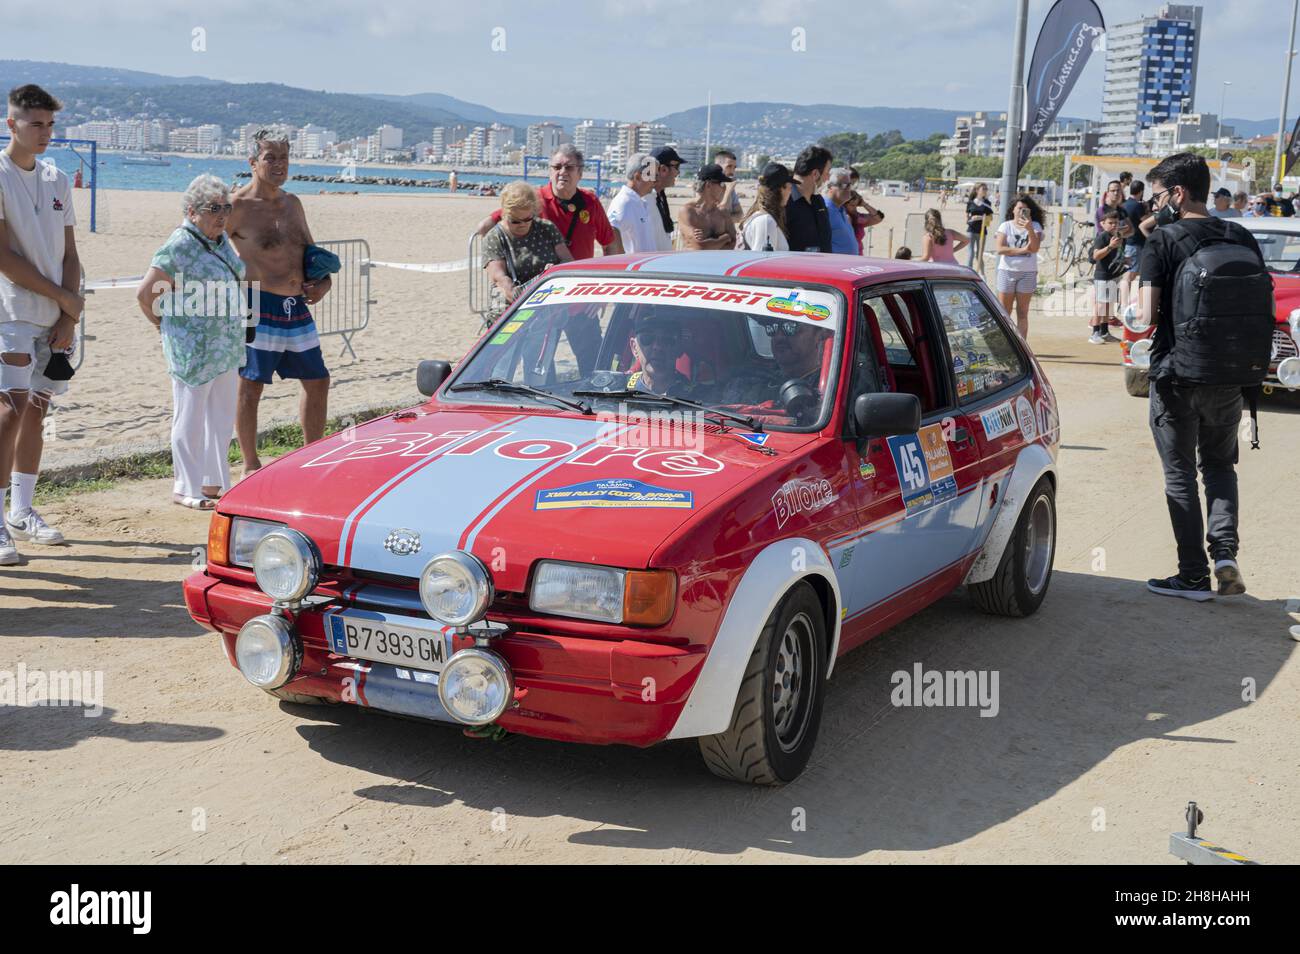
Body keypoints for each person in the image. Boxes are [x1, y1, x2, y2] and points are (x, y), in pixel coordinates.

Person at [1138, 152, 1266, 601]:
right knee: (1218, 465)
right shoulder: (1242, 235)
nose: (1153, 206)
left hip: (1177, 374)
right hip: (1232, 375)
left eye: (1157, 196)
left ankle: (1192, 575)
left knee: (1179, 474)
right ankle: (1226, 555)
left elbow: (1144, 315)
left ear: (1177, 193)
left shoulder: (1164, 239)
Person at [0, 84, 82, 563]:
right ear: (12, 124)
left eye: (50, 124)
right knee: (9, 412)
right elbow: (5, 258)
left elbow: (70, 253)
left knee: (37, 410)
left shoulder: (55, 178)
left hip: (54, 316)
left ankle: (22, 509)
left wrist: (68, 313)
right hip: (11, 312)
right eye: (36, 124)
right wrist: (64, 301)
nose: (45, 133)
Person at [136, 175, 246, 509]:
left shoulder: (221, 241)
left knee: (222, 417)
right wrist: (165, 326)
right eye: (214, 208)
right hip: (193, 348)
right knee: (191, 414)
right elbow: (146, 294)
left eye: (226, 207)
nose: (222, 215)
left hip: (225, 345)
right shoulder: (180, 244)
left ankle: (213, 481)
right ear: (192, 210)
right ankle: (186, 486)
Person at [227, 129, 332, 479]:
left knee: (318, 380)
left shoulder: (292, 204)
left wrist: (324, 282)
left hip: (296, 307)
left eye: (284, 157)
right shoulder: (237, 206)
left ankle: (310, 454)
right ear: (253, 162)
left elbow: (310, 251)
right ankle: (250, 463)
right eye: (270, 157)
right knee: (250, 384)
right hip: (258, 304)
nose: (279, 165)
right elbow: (205, 245)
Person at [474, 144, 622, 260]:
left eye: (569, 167)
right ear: (550, 172)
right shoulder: (534, 198)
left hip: (578, 285)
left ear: (580, 173)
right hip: (544, 284)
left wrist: (605, 276)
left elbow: (609, 243)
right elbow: (485, 227)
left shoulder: (590, 202)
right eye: (557, 167)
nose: (563, 172)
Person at [481, 181, 573, 312]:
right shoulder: (495, 237)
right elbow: (499, 278)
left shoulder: (546, 228)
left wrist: (555, 270)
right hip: (510, 308)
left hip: (548, 305)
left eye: (528, 219)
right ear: (505, 213)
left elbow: (568, 260)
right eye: (515, 221)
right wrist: (520, 297)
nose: (522, 225)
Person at [993, 194, 1044, 339]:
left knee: (1022, 312)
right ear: (1013, 210)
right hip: (1007, 271)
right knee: (1005, 311)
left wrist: (1029, 229)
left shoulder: (1035, 226)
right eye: (1019, 208)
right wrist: (1022, 250)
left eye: (1025, 209)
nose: (1022, 212)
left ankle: (1022, 345)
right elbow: (1000, 249)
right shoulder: (1006, 226)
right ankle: (1005, 342)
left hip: (1027, 272)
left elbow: (1034, 248)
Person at [626, 312, 691, 395]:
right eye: (647, 338)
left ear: (680, 348)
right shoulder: (618, 390)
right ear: (634, 347)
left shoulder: (698, 396)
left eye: (667, 340)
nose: (657, 347)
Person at [785, 145, 834, 252]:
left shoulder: (818, 201)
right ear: (815, 174)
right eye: (827, 172)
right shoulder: (784, 201)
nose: (828, 178)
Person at [608, 153, 659, 254]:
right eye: (653, 176)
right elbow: (611, 232)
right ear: (638, 177)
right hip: (633, 269)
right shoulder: (624, 203)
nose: (656, 181)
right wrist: (623, 265)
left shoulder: (638, 201)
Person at [678, 164, 737, 250]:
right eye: (722, 184)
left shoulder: (723, 212)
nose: (724, 188)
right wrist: (725, 238)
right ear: (708, 185)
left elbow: (732, 243)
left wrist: (710, 243)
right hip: (695, 263)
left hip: (720, 263)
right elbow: (699, 246)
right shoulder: (688, 212)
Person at [1089, 209, 1126, 344]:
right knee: (1100, 305)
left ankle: (1104, 332)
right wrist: (1110, 246)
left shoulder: (1119, 236)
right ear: (1103, 224)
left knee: (1108, 305)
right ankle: (1094, 332)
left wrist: (1125, 260)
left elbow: (1117, 255)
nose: (1114, 225)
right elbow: (1096, 255)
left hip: (1114, 274)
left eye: (1116, 222)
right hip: (1102, 275)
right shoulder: (1102, 237)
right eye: (1110, 223)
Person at [737, 162, 792, 251]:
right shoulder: (766, 221)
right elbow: (762, 261)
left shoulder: (762, 217)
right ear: (781, 189)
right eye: (790, 188)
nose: (790, 192)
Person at [1119, 180, 1147, 308]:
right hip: (1136, 243)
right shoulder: (1138, 206)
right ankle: (1124, 305)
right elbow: (1146, 221)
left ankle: (1122, 303)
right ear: (1141, 191)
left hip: (1127, 243)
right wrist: (1148, 210)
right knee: (1130, 275)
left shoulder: (1124, 205)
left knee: (1128, 274)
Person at [648, 145, 682, 251]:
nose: (678, 172)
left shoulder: (659, 197)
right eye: (677, 167)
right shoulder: (645, 200)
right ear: (663, 169)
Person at [822, 167, 861, 255]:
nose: (849, 189)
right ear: (830, 187)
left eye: (850, 185)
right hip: (835, 266)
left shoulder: (840, 209)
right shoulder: (825, 210)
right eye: (844, 185)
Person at [964, 183, 994, 268]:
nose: (985, 191)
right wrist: (970, 219)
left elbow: (990, 217)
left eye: (986, 189)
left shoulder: (987, 203)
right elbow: (967, 217)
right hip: (971, 230)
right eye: (983, 189)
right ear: (977, 190)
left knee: (979, 254)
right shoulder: (970, 202)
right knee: (971, 254)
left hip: (982, 231)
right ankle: (969, 273)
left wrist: (980, 217)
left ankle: (982, 275)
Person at [714, 149, 743, 227]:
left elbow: (740, 215)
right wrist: (728, 190)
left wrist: (723, 219)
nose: (732, 171)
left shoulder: (731, 188)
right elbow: (713, 217)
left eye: (734, 167)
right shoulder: (708, 187)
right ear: (718, 166)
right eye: (729, 166)